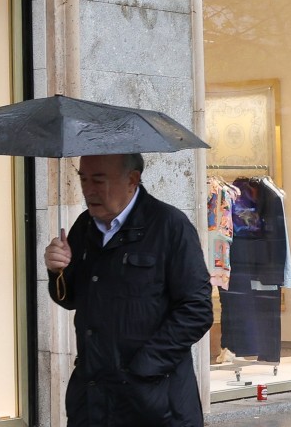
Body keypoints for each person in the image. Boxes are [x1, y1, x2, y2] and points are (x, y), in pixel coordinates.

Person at [44, 154, 213, 427]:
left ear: (132, 180)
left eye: (99, 180)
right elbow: (70, 298)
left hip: (156, 400)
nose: (88, 190)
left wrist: (143, 368)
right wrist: (57, 271)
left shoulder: (169, 225)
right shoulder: (83, 226)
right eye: (83, 179)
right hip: (93, 398)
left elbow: (197, 310)